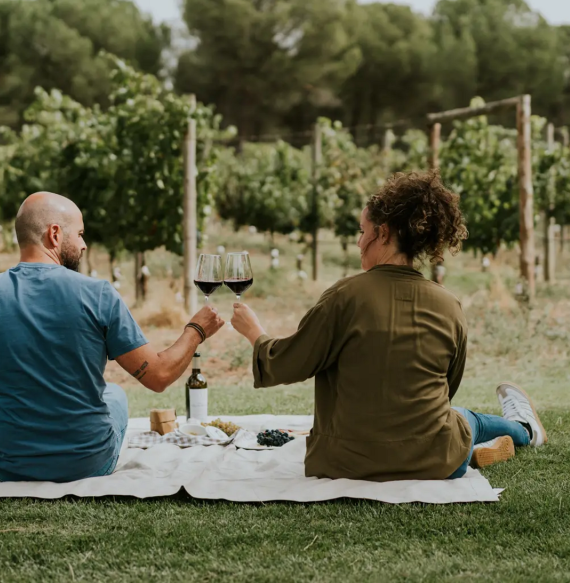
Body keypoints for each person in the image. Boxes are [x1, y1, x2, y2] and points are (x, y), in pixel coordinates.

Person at [230, 171, 546, 481]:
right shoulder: (449, 305)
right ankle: (524, 429)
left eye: (361, 231)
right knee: (465, 418)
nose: (357, 242)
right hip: (438, 461)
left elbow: (285, 364)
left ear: (382, 234)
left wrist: (253, 331)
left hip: (347, 463)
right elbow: (447, 387)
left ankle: (519, 428)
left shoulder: (344, 295)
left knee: (462, 418)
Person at [0, 192, 224, 482]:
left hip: (7, 462)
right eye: (81, 234)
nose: (84, 245)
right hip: (90, 462)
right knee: (114, 394)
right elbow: (158, 376)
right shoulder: (99, 294)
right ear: (55, 234)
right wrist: (195, 330)